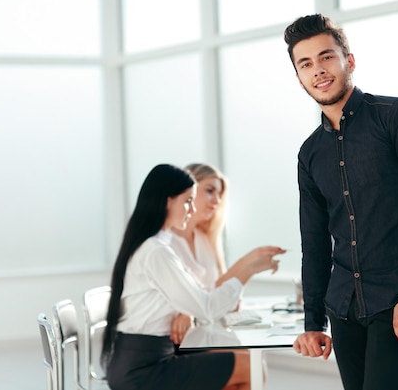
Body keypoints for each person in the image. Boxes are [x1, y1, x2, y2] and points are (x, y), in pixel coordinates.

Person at [284, 14, 398, 390]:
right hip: (344, 309)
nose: (319, 70)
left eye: (327, 57)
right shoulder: (310, 153)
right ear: (299, 77)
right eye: (306, 64)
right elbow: (314, 242)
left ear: (350, 60)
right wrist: (313, 322)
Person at [101, 163, 285, 390]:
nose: (191, 209)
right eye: (187, 201)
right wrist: (247, 271)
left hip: (142, 361)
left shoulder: (156, 247)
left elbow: (199, 295)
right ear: (168, 200)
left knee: (242, 366)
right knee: (249, 367)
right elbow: (206, 308)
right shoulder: (157, 251)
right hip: (143, 369)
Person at [169, 163, 284, 344]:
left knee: (251, 357)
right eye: (209, 191)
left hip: (208, 331)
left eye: (219, 195)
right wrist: (247, 265)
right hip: (181, 339)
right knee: (246, 360)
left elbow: (221, 297)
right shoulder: (166, 243)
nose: (216, 200)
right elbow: (197, 302)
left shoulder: (205, 240)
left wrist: (249, 265)